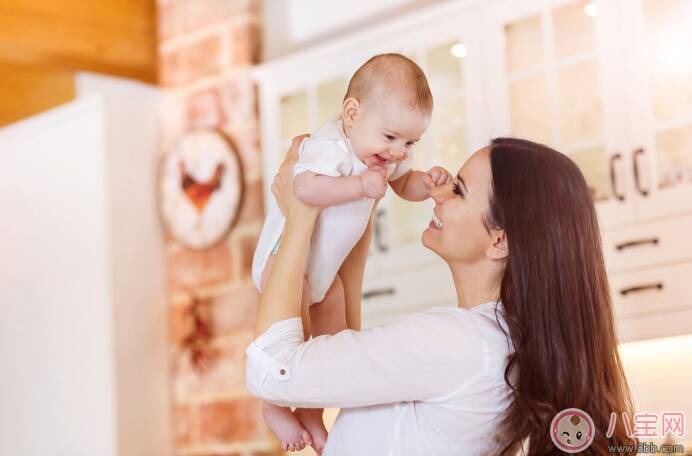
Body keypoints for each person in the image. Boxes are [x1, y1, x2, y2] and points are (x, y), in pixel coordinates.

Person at [246, 136, 637, 455]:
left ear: (499, 240)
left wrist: (299, 217)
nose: (439, 195)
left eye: (459, 191)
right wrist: (357, 220)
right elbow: (347, 355)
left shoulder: (459, 343)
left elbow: (271, 370)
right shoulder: (501, 345)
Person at [251, 53, 451, 452]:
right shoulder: (330, 146)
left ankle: (311, 412)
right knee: (297, 338)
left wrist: (426, 185)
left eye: (410, 142)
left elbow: (402, 183)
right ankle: (273, 406)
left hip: (325, 272)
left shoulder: (382, 153)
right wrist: (359, 188)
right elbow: (304, 189)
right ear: (351, 113)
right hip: (285, 261)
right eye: (391, 137)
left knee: (334, 344)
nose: (397, 152)